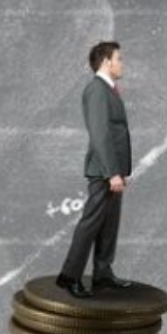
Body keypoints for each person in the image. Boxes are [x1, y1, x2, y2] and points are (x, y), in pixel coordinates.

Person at [56, 41, 134, 298]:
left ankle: (102, 273)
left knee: (110, 222)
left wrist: (119, 171)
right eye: (118, 58)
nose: (122, 63)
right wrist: (112, 172)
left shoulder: (108, 89)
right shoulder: (97, 90)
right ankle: (69, 276)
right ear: (105, 62)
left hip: (113, 170)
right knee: (91, 223)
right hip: (104, 170)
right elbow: (100, 134)